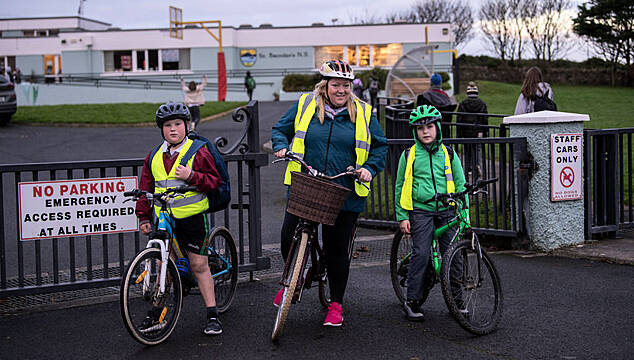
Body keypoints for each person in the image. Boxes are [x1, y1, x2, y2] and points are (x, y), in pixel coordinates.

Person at [271, 60, 387, 327]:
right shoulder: (305, 105)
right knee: (288, 235)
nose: (341, 90)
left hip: (344, 190)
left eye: (345, 85)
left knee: (336, 251)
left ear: (351, 87)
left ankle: (336, 304)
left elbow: (380, 146)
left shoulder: (364, 113)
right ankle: (295, 277)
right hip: (306, 184)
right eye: (335, 84)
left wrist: (369, 168)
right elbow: (280, 129)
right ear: (325, 86)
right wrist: (280, 146)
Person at [135, 102, 224, 335]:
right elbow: (146, 188)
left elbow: (214, 182)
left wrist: (192, 175)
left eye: (177, 124)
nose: (173, 129)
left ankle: (213, 315)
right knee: (166, 264)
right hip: (165, 218)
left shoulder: (198, 150)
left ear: (187, 126)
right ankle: (156, 314)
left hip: (192, 218)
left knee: (198, 265)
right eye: (167, 125)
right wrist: (144, 216)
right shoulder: (154, 155)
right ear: (161, 129)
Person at [394, 104, 467, 321]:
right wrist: (402, 216)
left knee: (453, 256)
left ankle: (457, 299)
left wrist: (463, 207)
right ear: (415, 132)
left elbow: (461, 183)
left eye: (429, 126)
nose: (425, 131)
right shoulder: (409, 156)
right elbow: (400, 187)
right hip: (421, 211)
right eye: (420, 128)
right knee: (422, 254)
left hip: (447, 210)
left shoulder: (449, 153)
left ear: (438, 128)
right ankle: (412, 300)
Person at [456, 81, 488, 178]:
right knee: (477, 149)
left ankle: (468, 168)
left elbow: (459, 119)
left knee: (467, 150)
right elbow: (485, 119)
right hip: (478, 131)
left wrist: (459, 134)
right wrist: (484, 132)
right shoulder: (482, 104)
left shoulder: (463, 104)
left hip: (466, 131)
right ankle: (477, 165)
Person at [418, 73, 455, 139]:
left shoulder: (424, 96)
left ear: (431, 83)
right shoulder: (446, 97)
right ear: (440, 83)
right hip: (444, 132)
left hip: (428, 133)